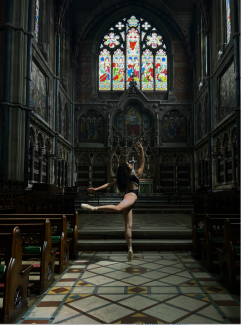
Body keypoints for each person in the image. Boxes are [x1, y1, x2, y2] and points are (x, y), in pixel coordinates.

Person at [81, 141, 145, 262]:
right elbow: (109, 184)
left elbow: (109, 184)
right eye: (128, 164)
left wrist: (141, 149)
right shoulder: (135, 175)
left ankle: (93, 208)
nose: (130, 163)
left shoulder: (130, 176)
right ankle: (130, 248)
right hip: (130, 197)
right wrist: (96, 188)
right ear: (127, 169)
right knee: (127, 225)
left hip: (129, 197)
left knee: (119, 210)